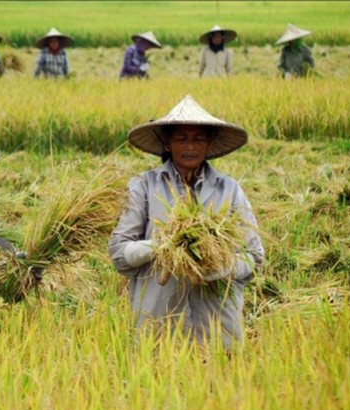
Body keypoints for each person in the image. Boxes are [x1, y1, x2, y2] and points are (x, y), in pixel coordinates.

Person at [108, 95, 264, 348]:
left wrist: (221, 266)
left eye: (198, 139)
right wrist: (161, 246)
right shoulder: (143, 186)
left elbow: (254, 256)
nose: (190, 146)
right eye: (181, 139)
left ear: (209, 143)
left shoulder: (229, 190)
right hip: (159, 328)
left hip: (218, 329)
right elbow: (119, 253)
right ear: (167, 144)